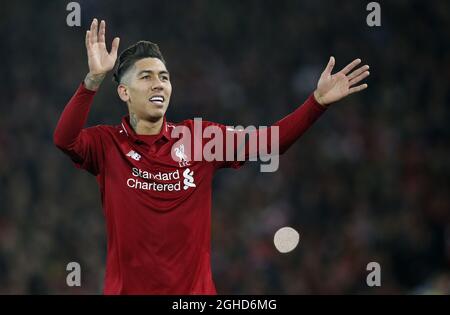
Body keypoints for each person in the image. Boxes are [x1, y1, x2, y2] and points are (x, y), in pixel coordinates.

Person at [53, 18, 370, 294]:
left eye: (164, 76)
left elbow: (270, 142)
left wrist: (317, 102)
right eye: (146, 77)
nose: (159, 84)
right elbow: (64, 139)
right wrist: (92, 80)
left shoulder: (199, 139)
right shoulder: (107, 144)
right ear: (124, 92)